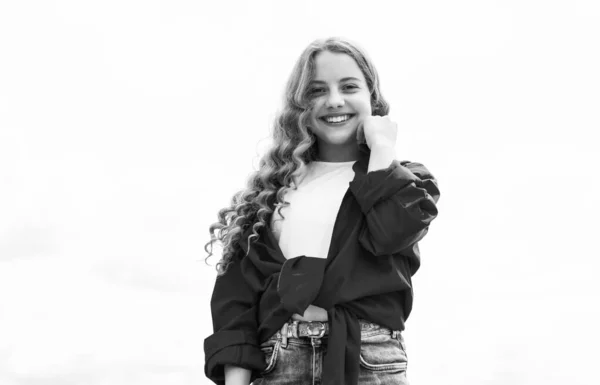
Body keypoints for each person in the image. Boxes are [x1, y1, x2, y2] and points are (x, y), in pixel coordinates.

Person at [203, 37, 441, 385]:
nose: (334, 101)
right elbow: (236, 300)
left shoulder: (411, 183)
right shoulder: (268, 192)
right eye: (316, 90)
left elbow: (391, 233)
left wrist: (382, 148)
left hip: (368, 358)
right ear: (298, 106)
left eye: (349, 86)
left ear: (372, 99)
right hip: (278, 361)